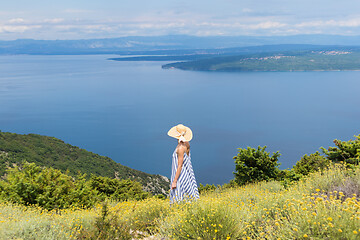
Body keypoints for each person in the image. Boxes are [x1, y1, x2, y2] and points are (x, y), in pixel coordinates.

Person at [167, 124, 199, 203]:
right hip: (187, 173)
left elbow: (180, 165)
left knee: (179, 194)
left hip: (180, 175)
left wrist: (174, 181)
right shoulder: (186, 144)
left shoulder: (180, 148)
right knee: (188, 194)